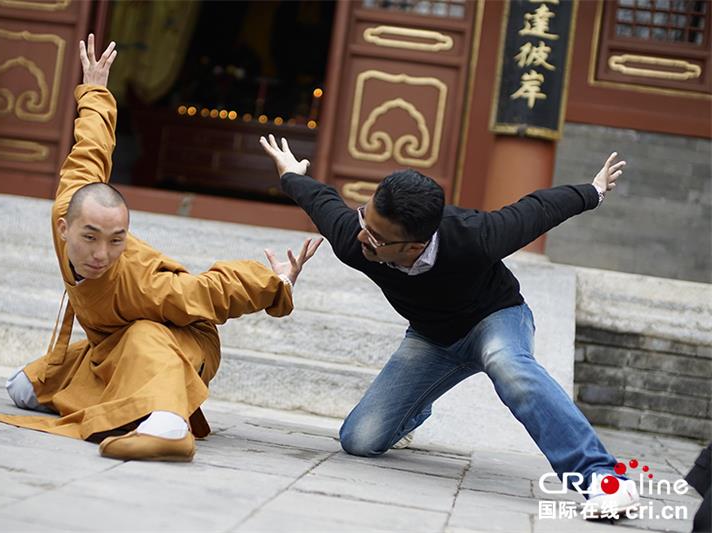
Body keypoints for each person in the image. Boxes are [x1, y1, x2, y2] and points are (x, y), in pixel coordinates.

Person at [0, 35, 322, 462]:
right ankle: (126, 405)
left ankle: (168, 426)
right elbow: (89, 153)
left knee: (146, 335)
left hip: (183, 342)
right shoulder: (68, 207)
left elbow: (208, 291)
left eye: (116, 239)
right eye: (91, 238)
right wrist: (95, 91)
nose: (102, 254)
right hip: (111, 346)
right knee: (22, 388)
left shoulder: (139, 278)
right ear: (65, 228)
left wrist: (275, 283)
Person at [260, 133, 639, 515]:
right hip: (432, 339)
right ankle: (412, 410)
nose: (362, 237)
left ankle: (603, 478)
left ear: (413, 246)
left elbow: (538, 209)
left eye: (375, 237)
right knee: (359, 439)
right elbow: (321, 201)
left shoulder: (475, 236)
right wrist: (291, 174)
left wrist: (593, 191)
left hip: (496, 319)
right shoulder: (356, 241)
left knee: (507, 363)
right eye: (364, 219)